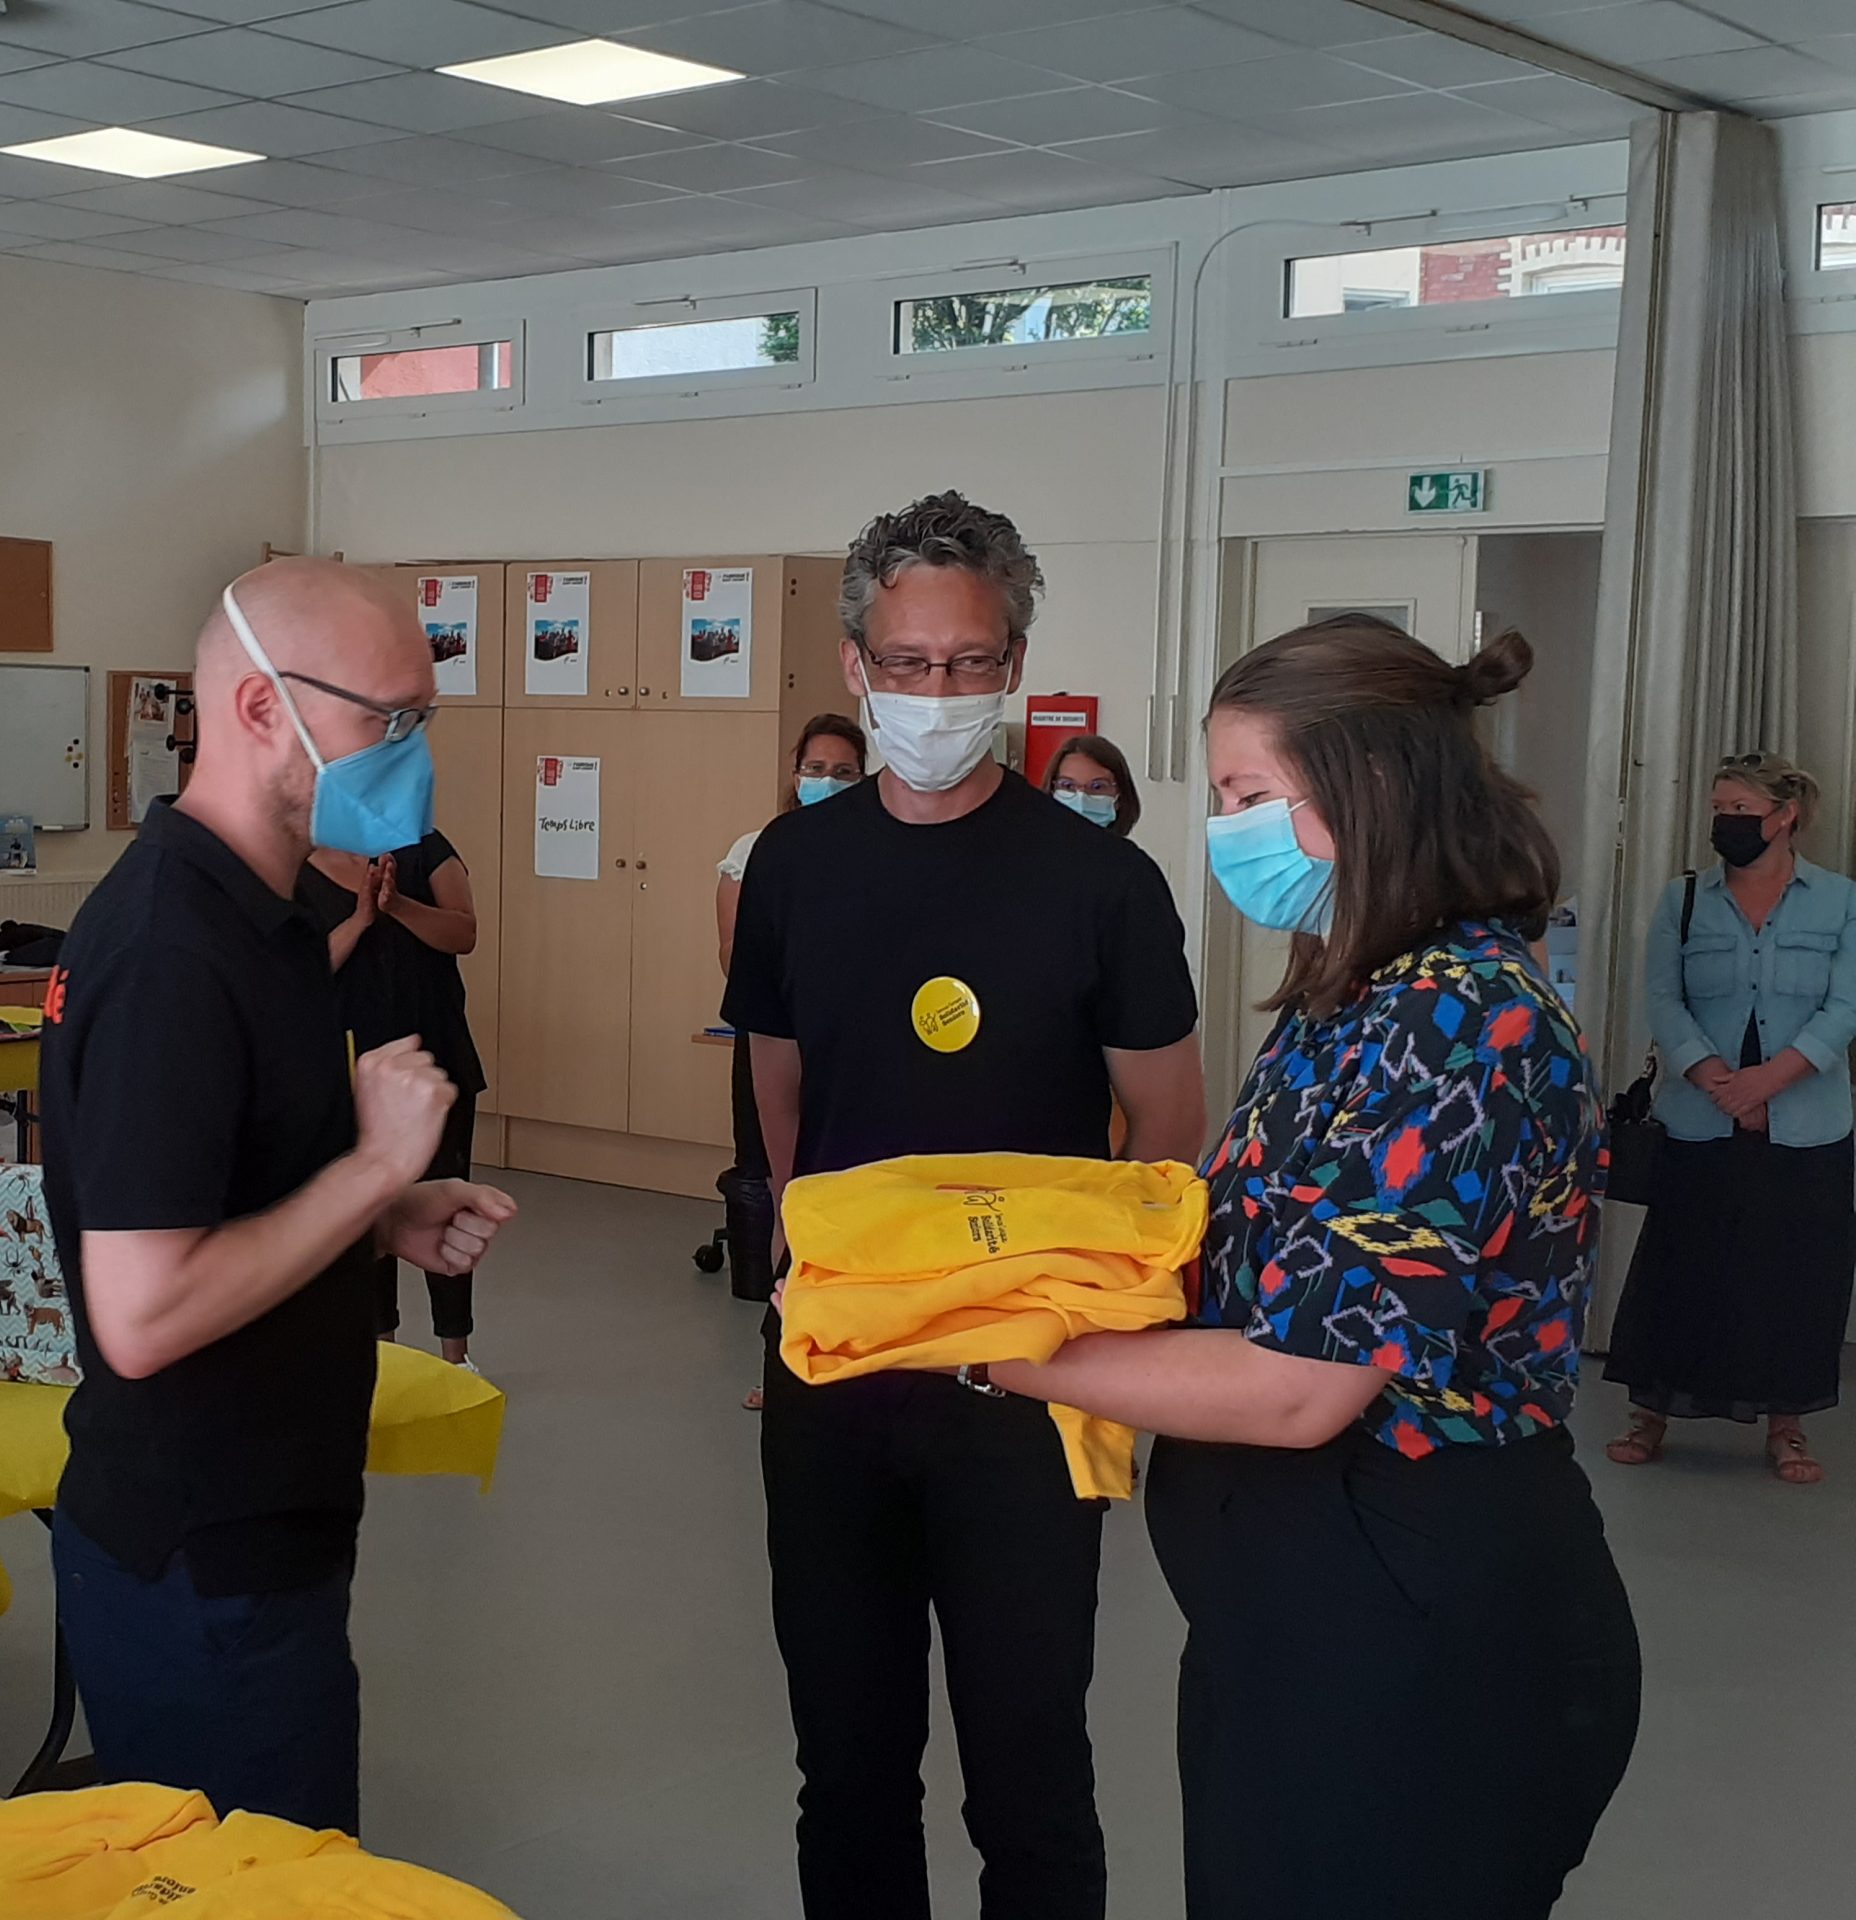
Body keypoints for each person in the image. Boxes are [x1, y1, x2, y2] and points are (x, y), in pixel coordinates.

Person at [984, 616, 1639, 1920]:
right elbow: (1260, 1263)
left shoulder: (1457, 1016)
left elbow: (1302, 1386)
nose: (1224, 830)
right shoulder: (1355, 994)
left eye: (1246, 796)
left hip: (1418, 1633)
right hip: (1301, 1621)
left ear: (1367, 788)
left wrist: (983, 1345)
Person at [725, 492, 1204, 1920]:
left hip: (1029, 1386)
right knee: (846, 1766)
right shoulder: (793, 867)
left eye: (970, 662)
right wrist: (824, 1261)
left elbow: (1167, 1134)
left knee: (1029, 1774)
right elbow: (780, 1092)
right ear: (856, 666)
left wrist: (1069, 1317)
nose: (937, 691)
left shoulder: (1103, 883)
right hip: (838, 1373)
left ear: (1014, 666)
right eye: (908, 662)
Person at [40, 559, 517, 1832]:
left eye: (424, 717)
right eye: (388, 719)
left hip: (276, 1514)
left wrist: (379, 1214)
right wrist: (371, 1167)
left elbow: (227, 1188)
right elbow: (142, 1314)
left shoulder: (276, 916)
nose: (412, 753)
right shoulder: (170, 949)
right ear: (261, 706)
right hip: (202, 1548)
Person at [1606, 753, 1856, 1484]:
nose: (1726, 822)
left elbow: (1845, 1007)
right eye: (1719, 808)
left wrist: (1767, 1085)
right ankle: (1650, 1413)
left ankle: (1788, 1427)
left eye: (1741, 810)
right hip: (1701, 1113)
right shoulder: (1683, 899)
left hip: (1805, 1119)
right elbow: (1663, 998)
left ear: (1785, 816)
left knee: (1796, 1275)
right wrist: (1719, 1082)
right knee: (1681, 1264)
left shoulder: (1840, 900)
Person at [716, 713, 866, 1409]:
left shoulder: (879, 853)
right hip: (777, 1043)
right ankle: (781, 1363)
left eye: (844, 773)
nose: (827, 783)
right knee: (786, 1202)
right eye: (816, 770)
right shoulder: (758, 852)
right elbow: (737, 961)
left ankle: (852, 1354)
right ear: (794, 772)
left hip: (854, 1051)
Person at [302, 829, 490, 1368]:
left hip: (435, 1059)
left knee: (445, 1203)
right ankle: (382, 1356)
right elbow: (300, 974)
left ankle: (456, 1357)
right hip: (351, 1070)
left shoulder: (424, 846)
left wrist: (398, 905)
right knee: (367, 1210)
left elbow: (464, 933)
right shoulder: (297, 866)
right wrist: (361, 919)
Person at [1043, 733, 1139, 838]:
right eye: (1068, 786)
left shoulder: (1125, 849)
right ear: (1052, 789)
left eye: (1097, 787)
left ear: (1119, 797)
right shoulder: (1032, 846)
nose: (1081, 799)